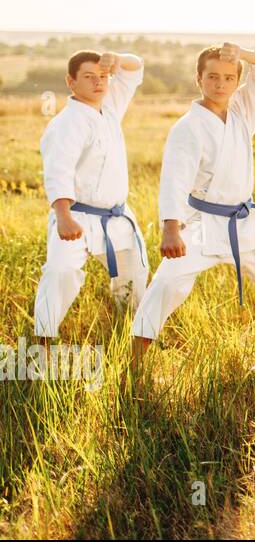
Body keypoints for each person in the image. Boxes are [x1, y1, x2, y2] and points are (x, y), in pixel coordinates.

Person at [131, 42, 255, 367]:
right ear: (199, 78)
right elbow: (174, 180)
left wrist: (243, 54)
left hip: (244, 222)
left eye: (228, 77)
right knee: (167, 282)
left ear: (238, 81)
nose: (220, 84)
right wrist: (171, 229)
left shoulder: (242, 113)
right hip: (201, 224)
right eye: (212, 77)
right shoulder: (187, 128)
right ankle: (135, 364)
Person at [34, 50, 148, 342]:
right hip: (76, 215)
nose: (98, 83)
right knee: (61, 273)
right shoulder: (65, 123)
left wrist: (118, 58)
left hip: (117, 217)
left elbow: (135, 69)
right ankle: (43, 340)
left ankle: (127, 335)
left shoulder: (109, 108)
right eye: (89, 77)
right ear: (71, 82)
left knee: (135, 278)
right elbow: (57, 171)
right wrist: (63, 217)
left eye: (103, 77)